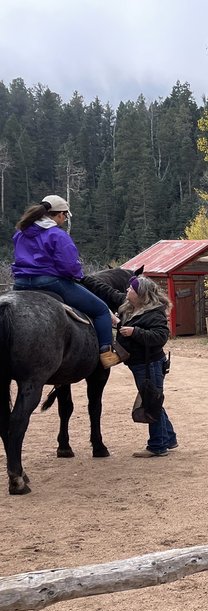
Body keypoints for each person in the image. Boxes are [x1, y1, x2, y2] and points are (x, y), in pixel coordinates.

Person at [11, 195, 120, 368]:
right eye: (65, 216)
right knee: (100, 310)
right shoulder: (57, 235)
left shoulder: (20, 232)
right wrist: (77, 275)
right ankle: (106, 354)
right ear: (60, 214)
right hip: (50, 283)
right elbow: (69, 266)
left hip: (20, 284)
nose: (64, 219)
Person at [113, 276, 178, 457]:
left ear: (141, 294)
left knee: (151, 402)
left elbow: (160, 337)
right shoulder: (133, 309)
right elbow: (108, 292)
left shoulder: (154, 313)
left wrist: (135, 332)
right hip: (142, 364)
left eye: (131, 289)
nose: (127, 291)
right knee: (154, 400)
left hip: (150, 364)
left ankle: (157, 446)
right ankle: (169, 438)